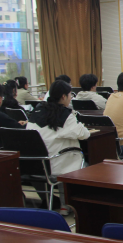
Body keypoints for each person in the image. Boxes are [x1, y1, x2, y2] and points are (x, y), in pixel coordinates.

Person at [27, 80, 90, 214]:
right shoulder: (64, 115)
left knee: (63, 157)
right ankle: (71, 205)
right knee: (83, 163)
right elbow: (84, 134)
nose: (71, 98)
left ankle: (63, 204)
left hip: (37, 165)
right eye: (70, 95)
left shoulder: (37, 111)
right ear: (63, 96)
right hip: (56, 163)